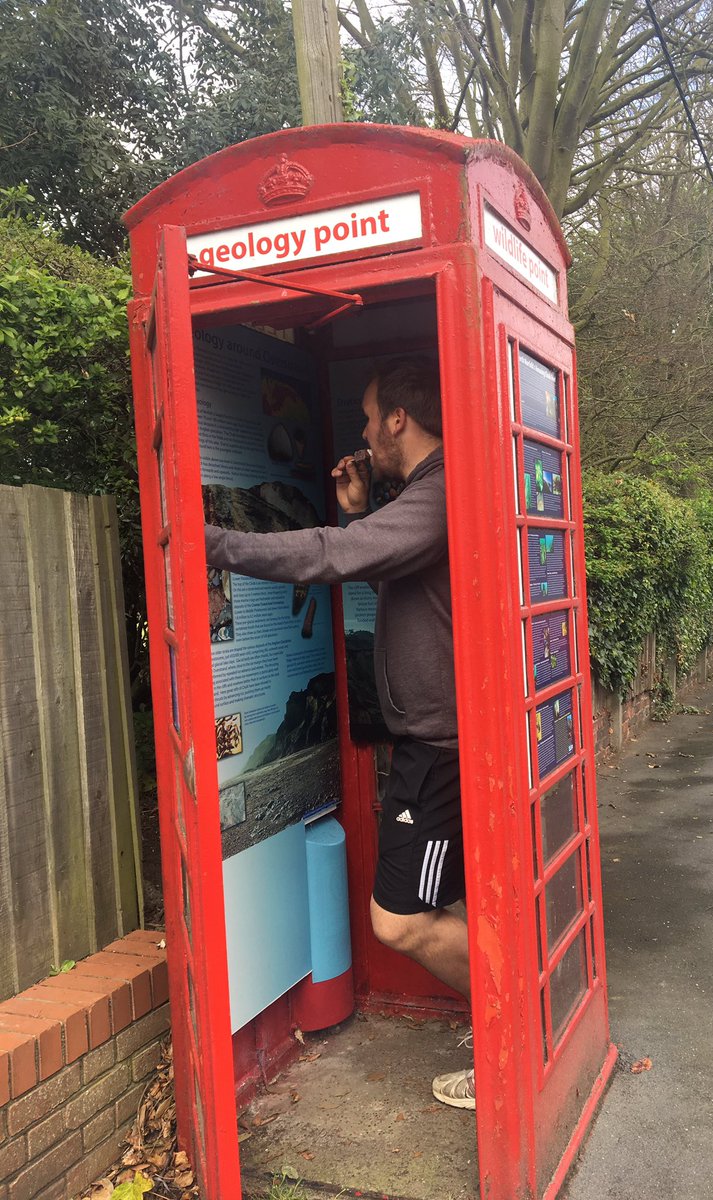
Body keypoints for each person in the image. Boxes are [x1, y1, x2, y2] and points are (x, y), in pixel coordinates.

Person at [204, 356, 476, 1110]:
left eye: (367, 416)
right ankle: (514, 1017)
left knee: (399, 921)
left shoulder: (439, 491)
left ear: (397, 419)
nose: (361, 431)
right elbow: (390, 571)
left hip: (441, 749)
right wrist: (360, 514)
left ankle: (518, 1026)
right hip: (435, 741)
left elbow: (333, 556)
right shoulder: (425, 495)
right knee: (456, 903)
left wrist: (212, 543)